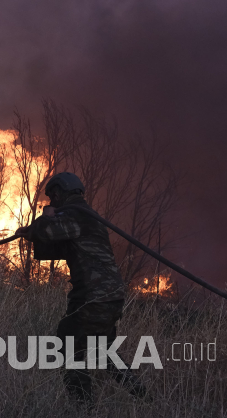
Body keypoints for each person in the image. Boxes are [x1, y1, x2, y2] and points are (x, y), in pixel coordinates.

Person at [15, 172, 148, 404]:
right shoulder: (89, 218)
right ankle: (144, 397)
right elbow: (58, 249)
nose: (51, 203)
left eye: (52, 198)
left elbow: (48, 229)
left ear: (58, 194)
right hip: (112, 297)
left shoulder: (75, 215)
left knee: (66, 346)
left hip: (91, 298)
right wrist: (31, 235)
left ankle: (83, 409)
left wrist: (45, 218)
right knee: (103, 352)